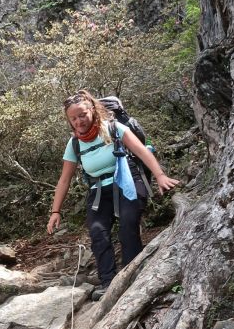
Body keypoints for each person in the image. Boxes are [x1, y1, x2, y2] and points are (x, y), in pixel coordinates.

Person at [47, 90, 180, 296]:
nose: (79, 121)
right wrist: (55, 211)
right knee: (97, 231)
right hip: (99, 190)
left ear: (92, 109)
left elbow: (142, 151)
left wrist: (160, 176)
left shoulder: (113, 127)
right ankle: (108, 283)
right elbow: (64, 179)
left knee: (128, 224)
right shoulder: (74, 144)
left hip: (128, 180)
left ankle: (131, 276)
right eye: (73, 118)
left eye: (82, 115)